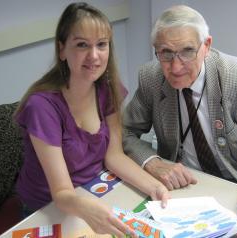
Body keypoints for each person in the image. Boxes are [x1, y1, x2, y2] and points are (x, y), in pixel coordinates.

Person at [123, 5, 237, 238]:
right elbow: (125, 131)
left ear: (206, 46)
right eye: (166, 53)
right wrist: (152, 161)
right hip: (183, 188)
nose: (175, 67)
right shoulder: (151, 77)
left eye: (187, 51)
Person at [14, 2, 169, 237]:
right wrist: (91, 210)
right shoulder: (42, 106)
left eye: (101, 44)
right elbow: (62, 193)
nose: (93, 55)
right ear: (62, 50)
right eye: (82, 45)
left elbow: (114, 155)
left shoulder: (108, 89)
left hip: (96, 191)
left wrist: (155, 186)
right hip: (48, 209)